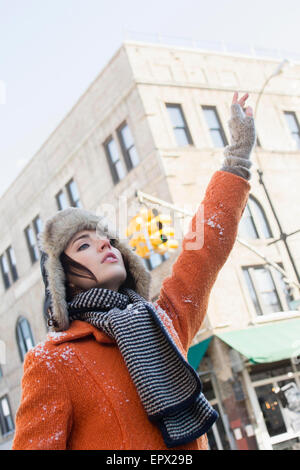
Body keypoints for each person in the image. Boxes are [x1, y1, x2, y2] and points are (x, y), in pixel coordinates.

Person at [12, 92, 256, 450]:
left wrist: (236, 157)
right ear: (64, 278)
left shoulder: (164, 321)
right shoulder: (53, 362)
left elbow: (204, 250)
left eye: (107, 239)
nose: (104, 245)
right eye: (83, 245)